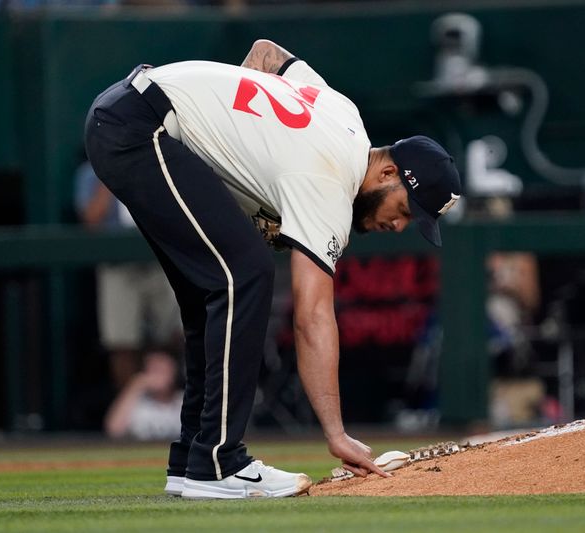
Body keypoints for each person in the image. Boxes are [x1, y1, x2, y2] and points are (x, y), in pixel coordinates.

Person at [83, 39, 462, 499]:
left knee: (213, 290)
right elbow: (312, 316)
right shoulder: (330, 185)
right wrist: (336, 433)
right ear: (387, 175)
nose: (401, 226)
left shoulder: (344, 115)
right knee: (247, 275)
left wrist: (234, 141)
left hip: (129, 113)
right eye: (407, 210)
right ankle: (219, 462)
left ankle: (192, 459)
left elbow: (265, 54)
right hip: (142, 130)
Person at [74, 160, 182, 391]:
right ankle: (131, 411)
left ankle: (173, 405)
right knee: (121, 340)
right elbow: (91, 221)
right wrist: (110, 172)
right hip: (117, 265)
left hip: (160, 259)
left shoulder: (159, 161)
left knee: (174, 334)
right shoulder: (89, 173)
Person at [104, 349, 183, 440]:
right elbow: (113, 430)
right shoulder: (136, 401)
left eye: (162, 370)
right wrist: (135, 386)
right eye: (153, 370)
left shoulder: (183, 400)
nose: (157, 376)